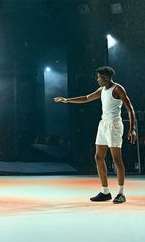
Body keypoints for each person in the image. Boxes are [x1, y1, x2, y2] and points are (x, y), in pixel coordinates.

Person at [54, 66, 136, 204]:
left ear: (107, 78)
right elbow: (86, 98)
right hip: (103, 124)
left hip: (114, 125)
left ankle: (121, 193)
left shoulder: (118, 89)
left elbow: (130, 108)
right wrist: (67, 100)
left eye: (99, 77)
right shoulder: (102, 90)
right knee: (98, 157)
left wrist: (132, 128)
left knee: (117, 159)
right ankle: (105, 192)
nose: (97, 79)